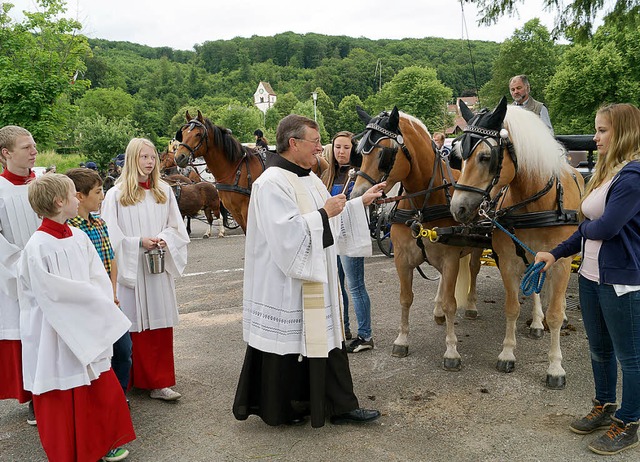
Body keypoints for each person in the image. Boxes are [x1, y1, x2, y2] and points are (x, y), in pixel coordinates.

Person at [233, 114, 384, 428]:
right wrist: (321, 214)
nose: (321, 148)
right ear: (293, 143)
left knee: (328, 340)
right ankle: (285, 407)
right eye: (315, 142)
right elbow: (284, 236)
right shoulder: (270, 183)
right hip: (287, 284)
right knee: (289, 344)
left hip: (317, 278)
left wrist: (359, 204)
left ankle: (340, 406)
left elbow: (331, 214)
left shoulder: (310, 177)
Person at [535, 103, 640, 456]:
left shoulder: (634, 176)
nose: (595, 137)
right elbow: (588, 230)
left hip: (622, 281)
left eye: (602, 130)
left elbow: (607, 227)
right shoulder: (607, 173)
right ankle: (605, 405)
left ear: (624, 131)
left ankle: (629, 422)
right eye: (596, 130)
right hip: (592, 277)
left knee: (631, 358)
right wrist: (555, 252)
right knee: (599, 350)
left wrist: (582, 228)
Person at [17, 173, 134, 462]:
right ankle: (71, 451)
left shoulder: (78, 236)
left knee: (99, 389)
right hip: (55, 336)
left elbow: (97, 277)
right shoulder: (38, 247)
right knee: (66, 393)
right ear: (60, 202)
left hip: (87, 327)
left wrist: (104, 302)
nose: (76, 199)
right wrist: (97, 306)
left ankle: (102, 442)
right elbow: (56, 295)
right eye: (72, 195)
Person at [101, 138, 190, 402]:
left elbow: (177, 229)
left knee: (160, 324)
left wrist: (163, 237)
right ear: (132, 159)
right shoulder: (116, 195)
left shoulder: (162, 190)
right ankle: (129, 380)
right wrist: (137, 242)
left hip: (156, 267)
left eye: (152, 157)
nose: (149, 162)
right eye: (143, 157)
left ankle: (160, 382)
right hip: (130, 270)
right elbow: (108, 235)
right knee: (132, 324)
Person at [66, 167, 133, 398]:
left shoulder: (100, 223)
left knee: (124, 349)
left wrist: (113, 292)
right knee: (97, 355)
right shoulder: (71, 229)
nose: (102, 196)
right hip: (91, 303)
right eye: (97, 192)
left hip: (109, 299)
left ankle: (120, 394)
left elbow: (111, 259)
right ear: (79, 196)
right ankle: (99, 399)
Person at [0, 125, 41, 425]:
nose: (34, 150)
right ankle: (31, 398)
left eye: (34, 145)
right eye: (26, 147)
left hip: (49, 272)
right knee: (25, 334)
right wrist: (22, 265)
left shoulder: (44, 182)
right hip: (14, 274)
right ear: (6, 153)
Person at [321, 131, 374, 352]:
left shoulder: (359, 175)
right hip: (332, 237)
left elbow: (360, 204)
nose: (341, 152)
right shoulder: (327, 174)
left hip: (350, 236)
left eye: (346, 147)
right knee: (336, 285)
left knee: (355, 285)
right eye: (337, 147)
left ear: (353, 149)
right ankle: (343, 328)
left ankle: (366, 335)